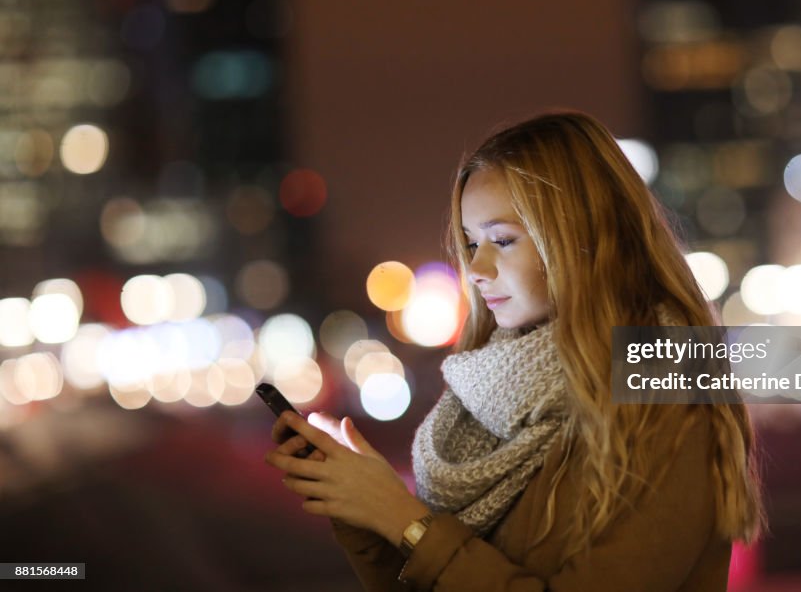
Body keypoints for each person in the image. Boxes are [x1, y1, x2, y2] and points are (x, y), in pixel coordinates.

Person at [265, 110, 765, 591]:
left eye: (501, 240)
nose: (475, 267)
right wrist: (363, 508)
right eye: (469, 242)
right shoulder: (489, 395)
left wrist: (404, 517)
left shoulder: (667, 382)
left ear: (582, 236)